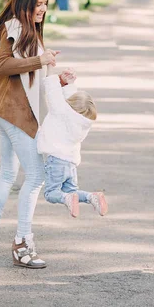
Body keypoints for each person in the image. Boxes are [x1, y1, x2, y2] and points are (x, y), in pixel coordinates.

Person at [0, 0, 75, 269]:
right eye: (38, 4)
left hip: (8, 113)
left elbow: (30, 78)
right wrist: (39, 60)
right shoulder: (14, 27)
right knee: (35, 176)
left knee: (8, 173)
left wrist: (58, 81)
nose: (43, 9)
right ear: (24, 5)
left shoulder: (27, 31)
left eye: (46, 4)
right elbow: (1, 66)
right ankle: (22, 243)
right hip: (15, 114)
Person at [37, 67, 107, 218]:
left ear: (70, 104)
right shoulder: (84, 121)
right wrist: (70, 84)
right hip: (71, 163)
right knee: (72, 192)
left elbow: (53, 93)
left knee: (51, 193)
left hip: (56, 160)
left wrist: (51, 71)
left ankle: (65, 198)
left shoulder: (61, 112)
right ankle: (91, 196)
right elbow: (73, 102)